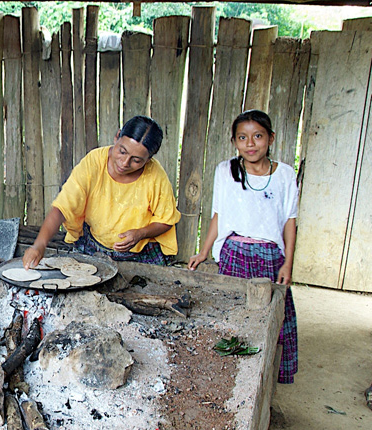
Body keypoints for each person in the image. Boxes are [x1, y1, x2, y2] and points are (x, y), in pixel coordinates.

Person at [187, 109, 299, 384]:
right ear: (234, 142)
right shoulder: (226, 171)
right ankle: (233, 374)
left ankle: (267, 375)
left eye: (258, 136)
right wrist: (204, 251)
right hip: (235, 252)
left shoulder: (284, 174)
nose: (250, 144)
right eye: (242, 137)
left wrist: (287, 263)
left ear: (270, 138)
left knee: (272, 316)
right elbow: (218, 215)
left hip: (270, 255)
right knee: (234, 312)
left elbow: (289, 222)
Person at [23, 115, 181, 268]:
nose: (124, 163)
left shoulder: (155, 175)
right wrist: (39, 245)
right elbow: (63, 206)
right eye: (122, 151)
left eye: (136, 160)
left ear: (149, 159)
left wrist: (140, 233)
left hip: (140, 255)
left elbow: (166, 220)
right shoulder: (94, 162)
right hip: (95, 247)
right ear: (117, 137)